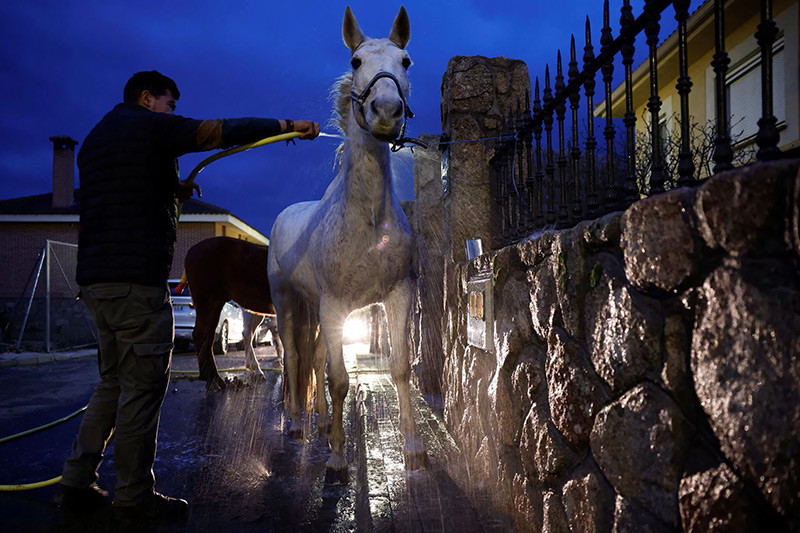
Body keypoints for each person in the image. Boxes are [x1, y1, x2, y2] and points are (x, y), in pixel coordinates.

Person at [54, 70, 319, 525]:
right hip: (134, 279)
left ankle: (77, 481)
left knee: (113, 381)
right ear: (147, 98)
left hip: (94, 280)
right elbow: (221, 131)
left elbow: (125, 190)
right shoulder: (152, 126)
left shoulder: (98, 138)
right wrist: (288, 125)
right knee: (143, 387)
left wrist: (169, 189)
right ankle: (134, 496)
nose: (172, 111)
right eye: (169, 104)